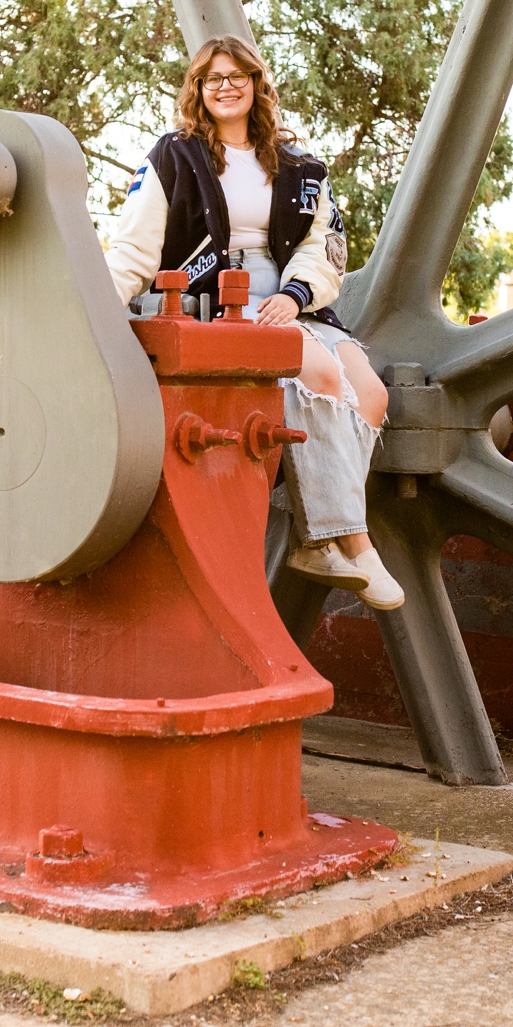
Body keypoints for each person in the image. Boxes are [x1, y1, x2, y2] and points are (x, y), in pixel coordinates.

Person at [107, 36, 403, 609]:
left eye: (237, 75)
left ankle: (319, 534)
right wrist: (91, 307)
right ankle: (349, 542)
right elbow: (134, 249)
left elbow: (324, 247)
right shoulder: (174, 156)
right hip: (220, 304)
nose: (225, 86)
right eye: (211, 78)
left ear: (256, 84)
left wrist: (295, 296)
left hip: (294, 304)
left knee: (370, 395)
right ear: (197, 89)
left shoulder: (300, 167)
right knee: (315, 373)